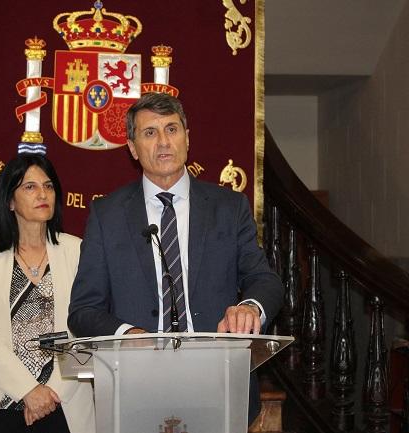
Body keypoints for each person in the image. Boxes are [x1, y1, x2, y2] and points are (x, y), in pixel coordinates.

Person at [67, 92, 284, 424]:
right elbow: (83, 311)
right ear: (132, 147)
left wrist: (250, 307)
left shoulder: (228, 207)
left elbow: (263, 279)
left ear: (187, 138)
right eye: (149, 133)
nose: (163, 141)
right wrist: (126, 335)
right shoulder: (106, 215)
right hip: (135, 385)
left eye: (172, 129)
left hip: (217, 380)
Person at [0, 154, 95, 433]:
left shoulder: (77, 251)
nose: (42, 194)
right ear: (10, 201)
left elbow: (86, 327)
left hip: (63, 400)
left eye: (48, 186)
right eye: (30, 187)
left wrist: (50, 393)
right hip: (3, 400)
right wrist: (29, 391)